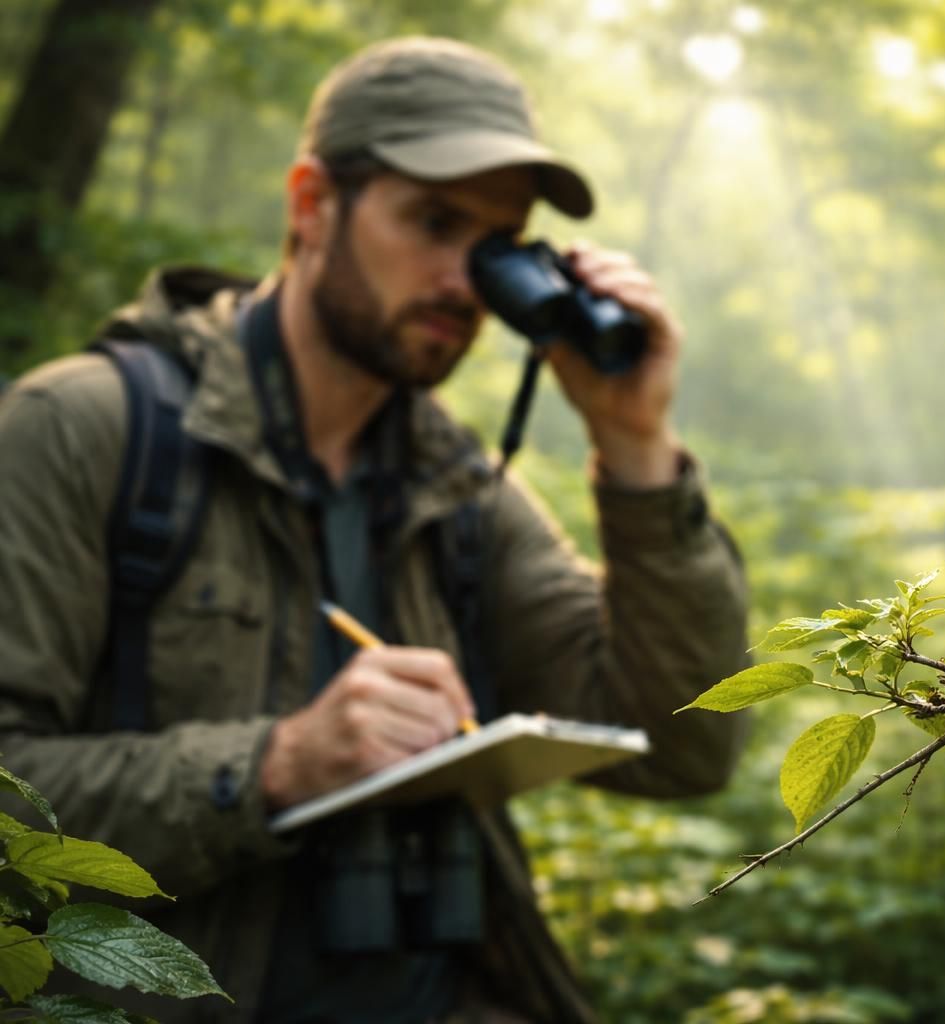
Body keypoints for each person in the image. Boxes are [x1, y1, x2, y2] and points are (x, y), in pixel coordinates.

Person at [0, 36, 748, 1023]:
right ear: (311, 204)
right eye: (433, 221)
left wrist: (634, 441)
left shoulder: (454, 484)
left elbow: (683, 747)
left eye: (496, 243)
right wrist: (273, 765)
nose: (462, 280)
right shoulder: (85, 430)